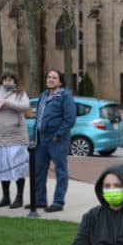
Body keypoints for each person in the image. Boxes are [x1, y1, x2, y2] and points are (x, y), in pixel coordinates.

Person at [0, 71, 31, 208]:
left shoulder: (20, 93)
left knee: (17, 167)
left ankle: (19, 197)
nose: (8, 82)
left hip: (16, 137)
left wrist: (7, 102)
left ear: (15, 81)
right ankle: (6, 197)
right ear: (1, 81)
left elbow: (25, 106)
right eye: (5, 79)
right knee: (3, 167)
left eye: (10, 80)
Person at [33, 69, 76, 212]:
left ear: (60, 81)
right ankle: (40, 201)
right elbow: (38, 118)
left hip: (57, 140)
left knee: (60, 171)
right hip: (41, 140)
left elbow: (70, 119)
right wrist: (34, 136)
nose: (50, 79)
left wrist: (58, 135)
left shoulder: (65, 96)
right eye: (49, 77)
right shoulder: (43, 96)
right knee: (39, 170)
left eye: (54, 77)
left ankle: (58, 202)